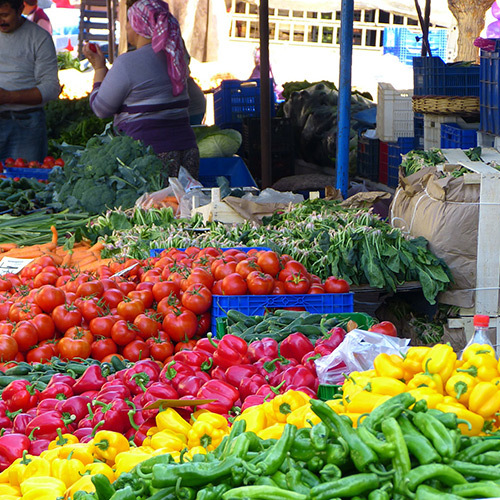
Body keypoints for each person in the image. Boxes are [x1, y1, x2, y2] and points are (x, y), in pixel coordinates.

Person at [83, 0, 199, 179]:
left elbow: (100, 109)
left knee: (153, 206)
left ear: (138, 26)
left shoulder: (127, 63)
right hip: (187, 152)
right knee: (180, 205)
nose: (126, 27)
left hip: (150, 158)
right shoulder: (177, 55)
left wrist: (99, 69)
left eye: (128, 21)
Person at [0, 0, 60, 163]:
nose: (0, 21)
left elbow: (51, 88)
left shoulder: (39, 38)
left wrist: (8, 97)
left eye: (5, 15)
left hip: (27, 125)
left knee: (26, 182)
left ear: (20, 9)